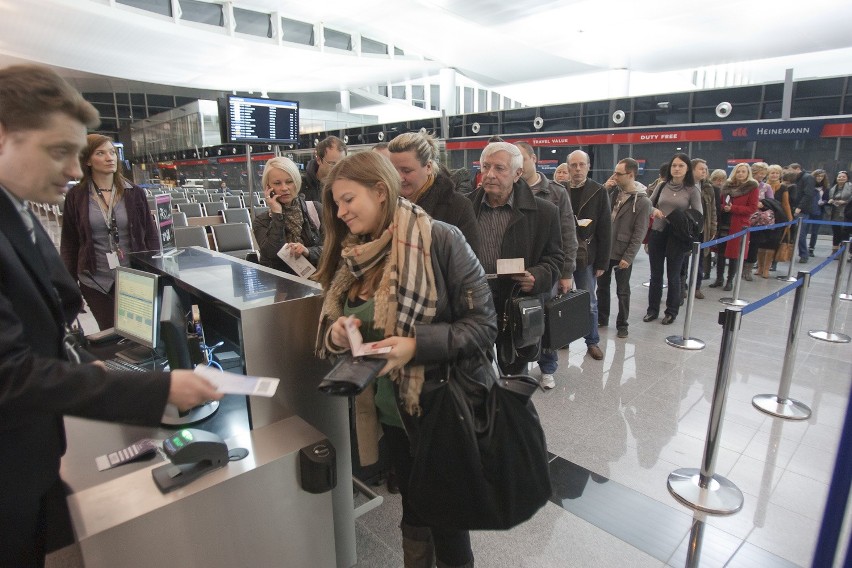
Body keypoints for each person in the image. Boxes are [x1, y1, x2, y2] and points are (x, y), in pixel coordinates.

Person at [0, 64, 222, 568]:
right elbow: (9, 375)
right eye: (59, 152)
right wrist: (159, 390)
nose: (75, 170)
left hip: (33, 459)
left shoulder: (14, 212)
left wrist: (78, 368)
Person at [313, 151, 496, 568]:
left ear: (380, 191)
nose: (340, 213)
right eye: (336, 203)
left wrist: (416, 346)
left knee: (449, 520)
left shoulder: (440, 239)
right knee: (413, 508)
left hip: (440, 407)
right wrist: (340, 330)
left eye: (347, 200)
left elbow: (484, 325)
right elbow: (338, 320)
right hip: (391, 410)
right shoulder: (354, 254)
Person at [467, 142, 563, 376]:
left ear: (518, 173)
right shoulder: (465, 207)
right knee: (474, 372)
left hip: (517, 303)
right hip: (474, 305)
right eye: (486, 167)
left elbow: (555, 258)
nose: (490, 175)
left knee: (515, 374)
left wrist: (537, 277)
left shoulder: (544, 212)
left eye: (499, 168)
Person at [60, 134, 159, 330]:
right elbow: (69, 244)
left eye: (112, 152)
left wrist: (157, 274)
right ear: (87, 160)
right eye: (101, 153)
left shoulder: (134, 192)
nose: (110, 158)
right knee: (110, 334)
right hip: (96, 279)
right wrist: (70, 288)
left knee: (139, 333)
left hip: (135, 277)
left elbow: (150, 235)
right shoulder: (76, 196)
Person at [514, 142, 577, 387]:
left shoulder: (556, 192)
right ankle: (518, 364)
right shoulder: (510, 189)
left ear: (533, 158)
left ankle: (547, 366)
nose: (518, 165)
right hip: (518, 268)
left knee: (545, 318)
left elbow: (568, 234)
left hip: (547, 266)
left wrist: (566, 273)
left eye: (521, 159)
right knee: (520, 319)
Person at [388, 129, 481, 256]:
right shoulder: (385, 206)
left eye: (407, 171)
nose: (399, 178)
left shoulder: (458, 207)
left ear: (428, 167)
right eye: (393, 170)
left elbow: (469, 265)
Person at [644, 153, 702, 325]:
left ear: (687, 169)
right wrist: (653, 211)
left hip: (677, 236)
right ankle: (652, 309)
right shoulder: (662, 186)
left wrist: (681, 218)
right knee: (656, 275)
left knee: (674, 275)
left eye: (681, 166)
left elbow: (698, 215)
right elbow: (648, 203)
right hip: (658, 232)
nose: (677, 169)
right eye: (674, 165)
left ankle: (671, 311)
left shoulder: (692, 189)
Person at [598, 158, 652, 338]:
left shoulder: (643, 202)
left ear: (630, 174)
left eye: (618, 174)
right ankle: (602, 317)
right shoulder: (613, 192)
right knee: (602, 286)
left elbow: (639, 232)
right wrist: (605, 189)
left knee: (622, 290)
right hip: (606, 248)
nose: (614, 176)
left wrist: (628, 257)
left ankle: (622, 324)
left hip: (622, 251)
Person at [565, 150, 611, 360]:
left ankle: (592, 341)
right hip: (562, 254)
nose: (577, 169)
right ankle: (561, 336)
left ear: (588, 166)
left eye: (581, 165)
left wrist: (602, 261)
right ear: (567, 167)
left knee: (589, 301)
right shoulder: (560, 190)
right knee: (560, 298)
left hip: (586, 254)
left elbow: (605, 228)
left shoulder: (598, 191)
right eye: (573, 165)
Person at [253, 156, 323, 274]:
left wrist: (308, 251)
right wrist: (277, 214)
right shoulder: (262, 221)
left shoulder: (315, 209)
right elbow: (272, 253)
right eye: (277, 183)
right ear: (268, 187)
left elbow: (332, 248)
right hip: (279, 285)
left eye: (289, 182)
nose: (284, 188)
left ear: (296, 182)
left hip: (314, 282)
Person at [719, 163, 759, 289]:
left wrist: (733, 208)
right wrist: (724, 208)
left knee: (734, 254)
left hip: (739, 224)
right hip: (724, 223)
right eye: (738, 171)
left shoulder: (752, 187)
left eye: (743, 171)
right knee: (720, 252)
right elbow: (719, 203)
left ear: (748, 173)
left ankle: (729, 280)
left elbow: (752, 208)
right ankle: (719, 278)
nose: (740, 174)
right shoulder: (727, 186)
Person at [301, 135, 347, 203]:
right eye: (332, 164)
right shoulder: (301, 187)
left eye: (341, 164)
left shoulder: (347, 186)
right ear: (319, 160)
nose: (338, 169)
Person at [789, 163, 817, 263]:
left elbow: (808, 194)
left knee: (800, 233)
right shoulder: (796, 179)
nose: (789, 172)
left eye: (791, 170)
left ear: (797, 169)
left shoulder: (807, 177)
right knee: (794, 233)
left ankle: (804, 254)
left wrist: (800, 207)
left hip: (801, 210)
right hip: (793, 207)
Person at [806, 169, 830, 255]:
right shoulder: (809, 185)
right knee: (804, 231)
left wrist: (824, 202)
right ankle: (803, 249)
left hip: (819, 212)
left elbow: (827, 199)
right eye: (818, 176)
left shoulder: (825, 188)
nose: (819, 178)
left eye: (821, 176)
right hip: (808, 211)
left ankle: (811, 249)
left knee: (815, 232)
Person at [827, 171, 852, 253]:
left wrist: (844, 202)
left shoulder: (850, 187)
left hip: (847, 213)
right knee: (836, 232)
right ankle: (835, 252)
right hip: (835, 213)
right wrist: (831, 200)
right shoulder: (833, 188)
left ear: (847, 178)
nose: (841, 178)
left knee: (845, 233)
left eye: (843, 177)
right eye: (839, 177)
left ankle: (845, 252)